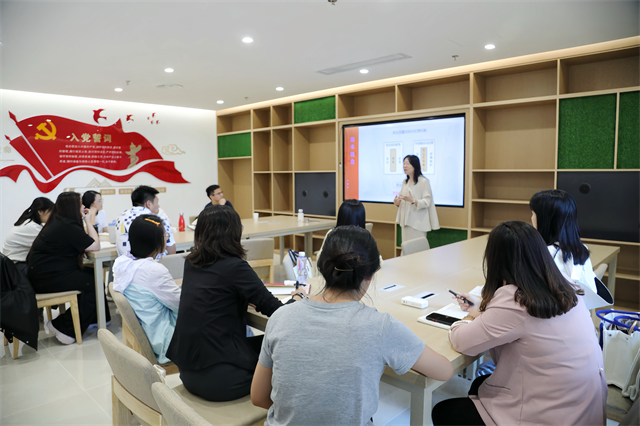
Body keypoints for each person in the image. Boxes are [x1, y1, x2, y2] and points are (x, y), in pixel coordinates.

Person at [251, 226, 455, 425]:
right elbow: (444, 371)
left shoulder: (280, 317)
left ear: (321, 267)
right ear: (370, 275)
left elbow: (258, 397)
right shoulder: (381, 326)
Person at [431, 221, 606, 426]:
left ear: (495, 259)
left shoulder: (515, 299)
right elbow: (522, 321)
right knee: (480, 385)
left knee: (444, 411)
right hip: (584, 407)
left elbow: (462, 342)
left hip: (550, 415)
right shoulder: (564, 283)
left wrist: (467, 318)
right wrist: (485, 311)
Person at [167, 205, 304, 402]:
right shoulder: (236, 267)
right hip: (222, 381)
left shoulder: (191, 263)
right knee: (284, 347)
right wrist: (298, 297)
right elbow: (277, 312)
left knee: (264, 344)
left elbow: (212, 299)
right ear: (234, 233)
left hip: (189, 372)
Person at [27, 192, 111, 344]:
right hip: (46, 279)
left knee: (93, 274)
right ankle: (63, 326)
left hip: (46, 274)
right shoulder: (67, 225)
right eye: (80, 204)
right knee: (92, 282)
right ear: (72, 207)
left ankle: (95, 318)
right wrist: (88, 220)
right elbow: (95, 245)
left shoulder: (60, 222)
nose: (83, 207)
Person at [113, 214, 181, 363]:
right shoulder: (153, 270)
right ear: (156, 241)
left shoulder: (123, 265)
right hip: (167, 340)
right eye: (165, 235)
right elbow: (181, 305)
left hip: (150, 331)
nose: (166, 238)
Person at [530, 189, 597, 292]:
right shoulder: (581, 249)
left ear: (544, 221)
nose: (531, 218)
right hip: (583, 301)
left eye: (533, 214)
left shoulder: (541, 253)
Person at [315, 200, 382, 271]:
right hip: (359, 276)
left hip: (334, 275)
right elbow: (378, 261)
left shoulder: (332, 235)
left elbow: (320, 259)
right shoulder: (363, 237)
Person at [115, 185, 176, 257]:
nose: (158, 206)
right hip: (154, 263)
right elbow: (171, 252)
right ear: (148, 204)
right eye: (157, 202)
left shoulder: (121, 217)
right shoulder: (158, 221)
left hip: (124, 263)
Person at [394, 154, 439, 244]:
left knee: (417, 249)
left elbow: (427, 202)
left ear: (415, 166)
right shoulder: (405, 182)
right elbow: (403, 199)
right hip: (405, 222)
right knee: (406, 248)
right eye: (404, 163)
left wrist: (413, 200)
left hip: (418, 223)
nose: (404, 166)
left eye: (407, 163)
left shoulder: (424, 181)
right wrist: (397, 202)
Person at [2, 197, 54, 275]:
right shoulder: (32, 227)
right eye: (51, 212)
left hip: (11, 265)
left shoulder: (28, 222)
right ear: (40, 212)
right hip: (16, 266)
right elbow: (50, 245)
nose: (52, 216)